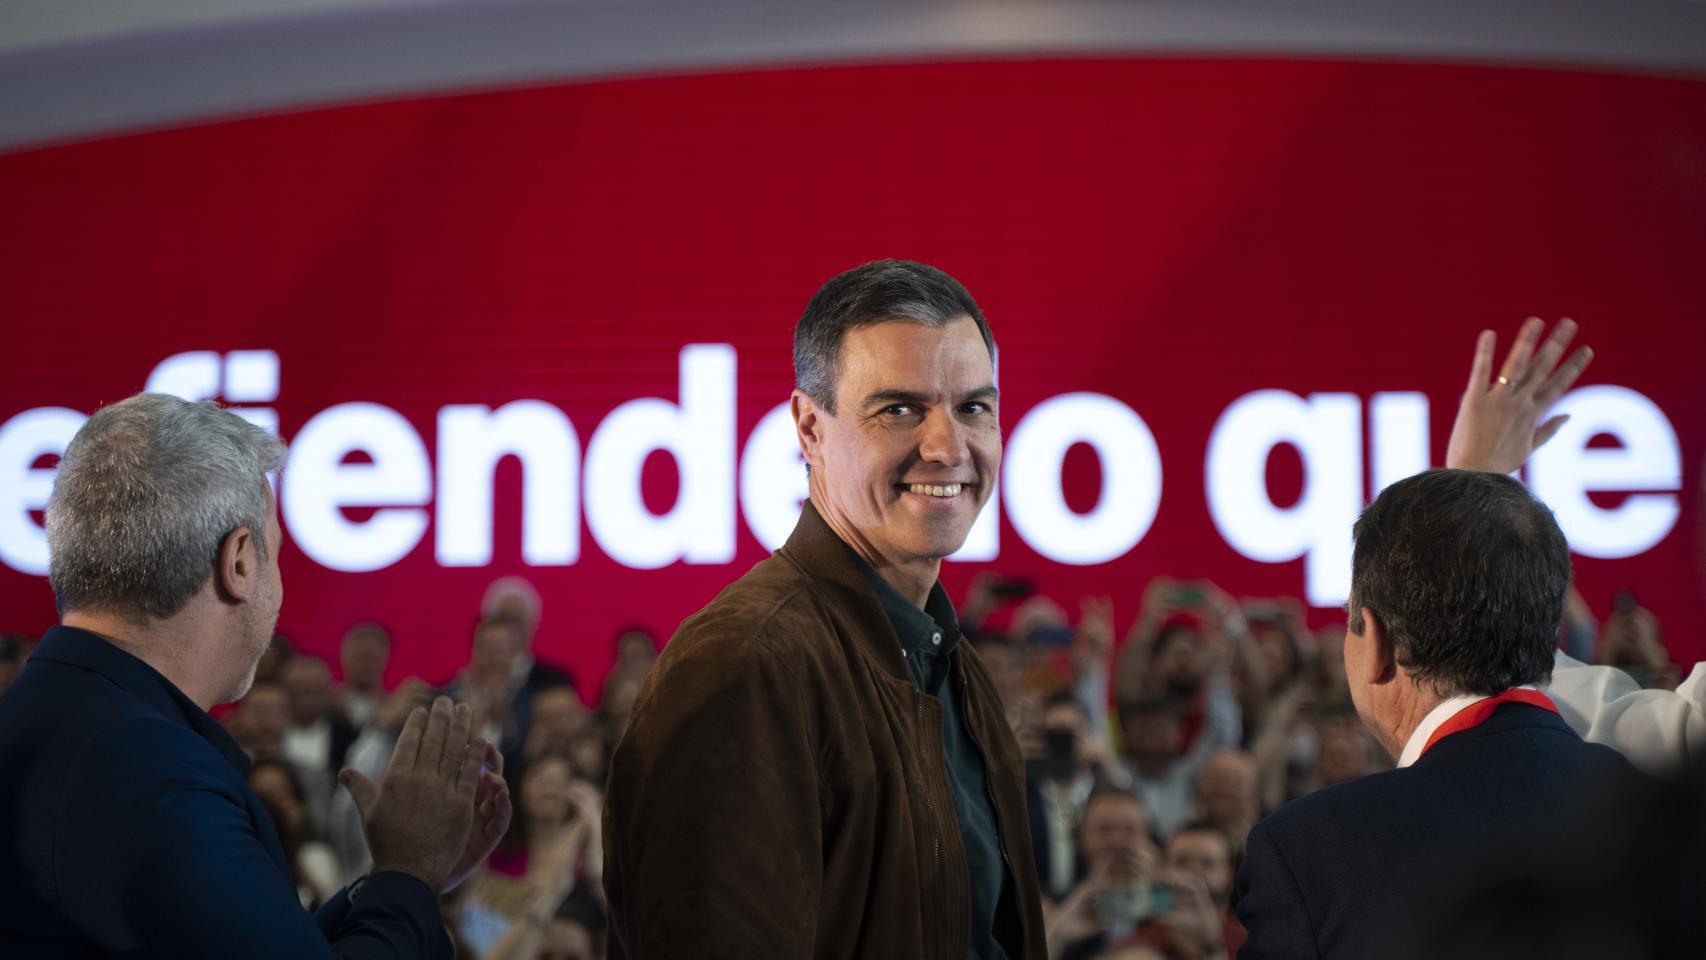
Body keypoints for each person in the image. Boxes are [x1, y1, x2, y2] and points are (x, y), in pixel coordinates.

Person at [604, 260, 1047, 957]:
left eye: (973, 408)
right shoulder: (744, 664)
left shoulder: (954, 667)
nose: (947, 448)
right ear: (810, 428)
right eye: (899, 410)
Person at [0, 393, 511, 958]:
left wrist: (397, 883)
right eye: (278, 553)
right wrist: (412, 870)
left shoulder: (54, 718)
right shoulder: (146, 765)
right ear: (240, 562)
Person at [339, 621, 394, 729]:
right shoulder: (326, 704)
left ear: (385, 660)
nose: (367, 665)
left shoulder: (393, 706)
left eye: (372, 658)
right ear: (344, 657)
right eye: (361, 658)